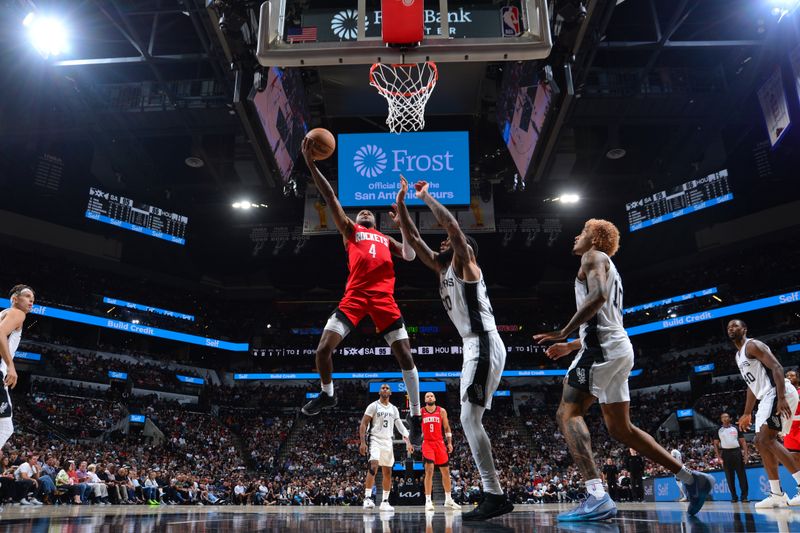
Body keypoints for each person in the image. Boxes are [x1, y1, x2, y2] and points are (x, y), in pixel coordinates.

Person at [533, 219, 714, 521]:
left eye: (583, 232)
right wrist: (572, 345)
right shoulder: (606, 265)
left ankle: (596, 496)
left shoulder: (593, 256)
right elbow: (605, 319)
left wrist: (564, 331)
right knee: (620, 428)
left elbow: (598, 298)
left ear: (595, 238)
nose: (576, 236)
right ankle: (691, 479)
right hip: (616, 347)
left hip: (603, 348)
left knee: (567, 412)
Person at [391, 178, 513, 521]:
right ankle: (494, 494)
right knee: (470, 418)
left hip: (484, 342)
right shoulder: (442, 267)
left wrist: (425, 196)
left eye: (448, 241)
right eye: (443, 242)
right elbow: (413, 238)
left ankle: (494, 495)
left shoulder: (465, 263)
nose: (443, 241)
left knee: (468, 418)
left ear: (463, 249)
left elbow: (453, 226)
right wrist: (401, 204)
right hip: (472, 346)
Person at [299, 138, 423, 444]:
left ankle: (416, 414)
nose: (365, 212)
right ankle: (327, 394)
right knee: (323, 350)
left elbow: (410, 255)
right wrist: (311, 164)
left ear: (377, 220)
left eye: (369, 212)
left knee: (405, 354)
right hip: (354, 297)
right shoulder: (351, 231)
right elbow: (329, 196)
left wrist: (403, 217)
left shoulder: (385, 238)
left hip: (383, 298)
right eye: (361, 212)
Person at [728, 319, 800, 507]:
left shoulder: (753, 345)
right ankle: (777, 494)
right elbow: (752, 386)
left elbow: (776, 367)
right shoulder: (738, 356)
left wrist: (781, 397)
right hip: (765, 397)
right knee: (760, 442)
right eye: (728, 327)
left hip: (777, 392)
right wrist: (746, 413)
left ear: (744, 329)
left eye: (735, 326)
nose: (731, 329)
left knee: (767, 439)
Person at [360, 383, 413, 511]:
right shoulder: (373, 406)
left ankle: (384, 501)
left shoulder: (394, 409)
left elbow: (400, 426)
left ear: (390, 393)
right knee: (373, 466)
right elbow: (363, 424)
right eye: (382, 388)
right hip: (375, 439)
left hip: (388, 441)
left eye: (387, 388)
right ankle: (367, 498)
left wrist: (409, 441)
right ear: (379, 392)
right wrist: (362, 442)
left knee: (388, 472)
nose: (385, 389)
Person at [0, 285, 35, 451]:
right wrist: (11, 366)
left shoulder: (4, 313)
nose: (31, 301)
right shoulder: (17, 313)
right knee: (5, 427)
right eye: (27, 297)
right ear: (14, 299)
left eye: (33, 299)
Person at [419, 392, 460, 511]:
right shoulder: (421, 411)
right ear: (425, 399)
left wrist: (450, 442)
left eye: (431, 396)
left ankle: (448, 499)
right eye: (427, 396)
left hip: (439, 443)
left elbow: (446, 428)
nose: (430, 397)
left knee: (446, 472)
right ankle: (428, 501)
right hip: (427, 443)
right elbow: (415, 428)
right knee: (429, 470)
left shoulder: (441, 411)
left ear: (435, 398)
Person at [713, 412, 749, 502]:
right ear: (721, 419)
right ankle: (734, 497)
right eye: (723, 417)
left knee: (742, 476)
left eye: (726, 417)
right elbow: (716, 445)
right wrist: (719, 457)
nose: (725, 418)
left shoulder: (736, 428)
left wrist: (746, 454)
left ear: (729, 418)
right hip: (725, 453)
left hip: (737, 452)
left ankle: (744, 497)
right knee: (729, 477)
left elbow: (743, 442)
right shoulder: (718, 430)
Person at [785, 369, 800, 462]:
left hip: (799, 425)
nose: (789, 377)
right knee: (794, 456)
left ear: (798, 378)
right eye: (787, 376)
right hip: (789, 428)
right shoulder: (783, 394)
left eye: (792, 375)